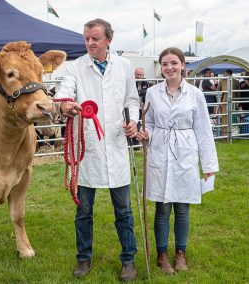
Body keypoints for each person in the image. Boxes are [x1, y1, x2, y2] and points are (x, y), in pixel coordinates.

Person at [54, 18, 140, 281]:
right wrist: (65, 105)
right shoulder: (75, 68)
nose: (90, 43)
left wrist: (133, 122)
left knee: (124, 211)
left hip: (115, 144)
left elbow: (132, 99)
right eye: (86, 38)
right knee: (84, 210)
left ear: (108, 40)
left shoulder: (124, 66)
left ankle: (128, 260)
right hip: (87, 148)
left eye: (95, 38)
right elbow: (64, 93)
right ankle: (84, 258)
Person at [137, 47, 219, 274]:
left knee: (183, 207)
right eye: (165, 64)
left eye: (174, 63)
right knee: (162, 207)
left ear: (183, 64)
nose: (169, 68)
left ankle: (180, 253)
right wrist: (147, 133)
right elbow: (149, 122)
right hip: (160, 152)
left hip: (185, 152)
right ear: (161, 67)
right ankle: (162, 254)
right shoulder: (152, 93)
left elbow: (203, 131)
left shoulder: (195, 94)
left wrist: (209, 166)